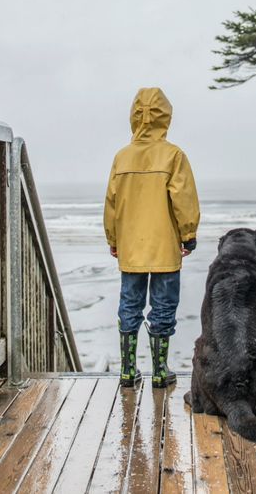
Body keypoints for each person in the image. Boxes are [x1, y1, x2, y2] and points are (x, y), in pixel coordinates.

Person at [104, 87, 200, 388]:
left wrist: (114, 238)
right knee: (163, 307)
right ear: (165, 116)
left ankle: (127, 370)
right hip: (164, 247)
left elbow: (112, 203)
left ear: (134, 116)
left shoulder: (122, 157)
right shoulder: (173, 155)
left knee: (129, 305)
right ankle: (160, 371)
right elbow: (183, 200)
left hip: (131, 247)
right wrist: (189, 235)